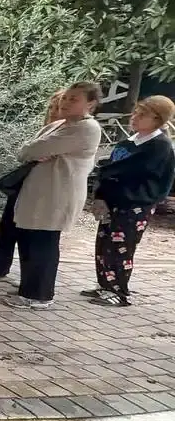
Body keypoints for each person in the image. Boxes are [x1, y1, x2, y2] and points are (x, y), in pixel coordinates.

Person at [5, 81, 103, 310]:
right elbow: (25, 151)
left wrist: (36, 151)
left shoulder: (86, 128)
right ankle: (28, 287)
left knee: (43, 242)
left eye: (74, 99)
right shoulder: (60, 124)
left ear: (90, 104)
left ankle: (39, 295)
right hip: (37, 192)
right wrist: (35, 151)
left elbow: (34, 149)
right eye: (66, 97)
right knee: (28, 239)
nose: (65, 102)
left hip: (57, 194)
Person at [83, 95, 175, 307]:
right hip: (112, 201)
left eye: (142, 115)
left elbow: (129, 171)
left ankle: (118, 292)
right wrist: (101, 193)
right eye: (135, 112)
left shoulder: (159, 146)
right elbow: (111, 168)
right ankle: (105, 285)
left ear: (158, 119)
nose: (135, 117)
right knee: (104, 243)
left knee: (121, 247)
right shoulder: (129, 142)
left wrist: (105, 174)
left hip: (134, 205)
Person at [0, 90, 65, 279]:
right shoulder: (47, 129)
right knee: (8, 224)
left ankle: (29, 281)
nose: (53, 111)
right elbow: (27, 153)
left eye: (57, 108)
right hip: (25, 184)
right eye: (51, 107)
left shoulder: (67, 133)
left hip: (44, 191)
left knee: (33, 236)